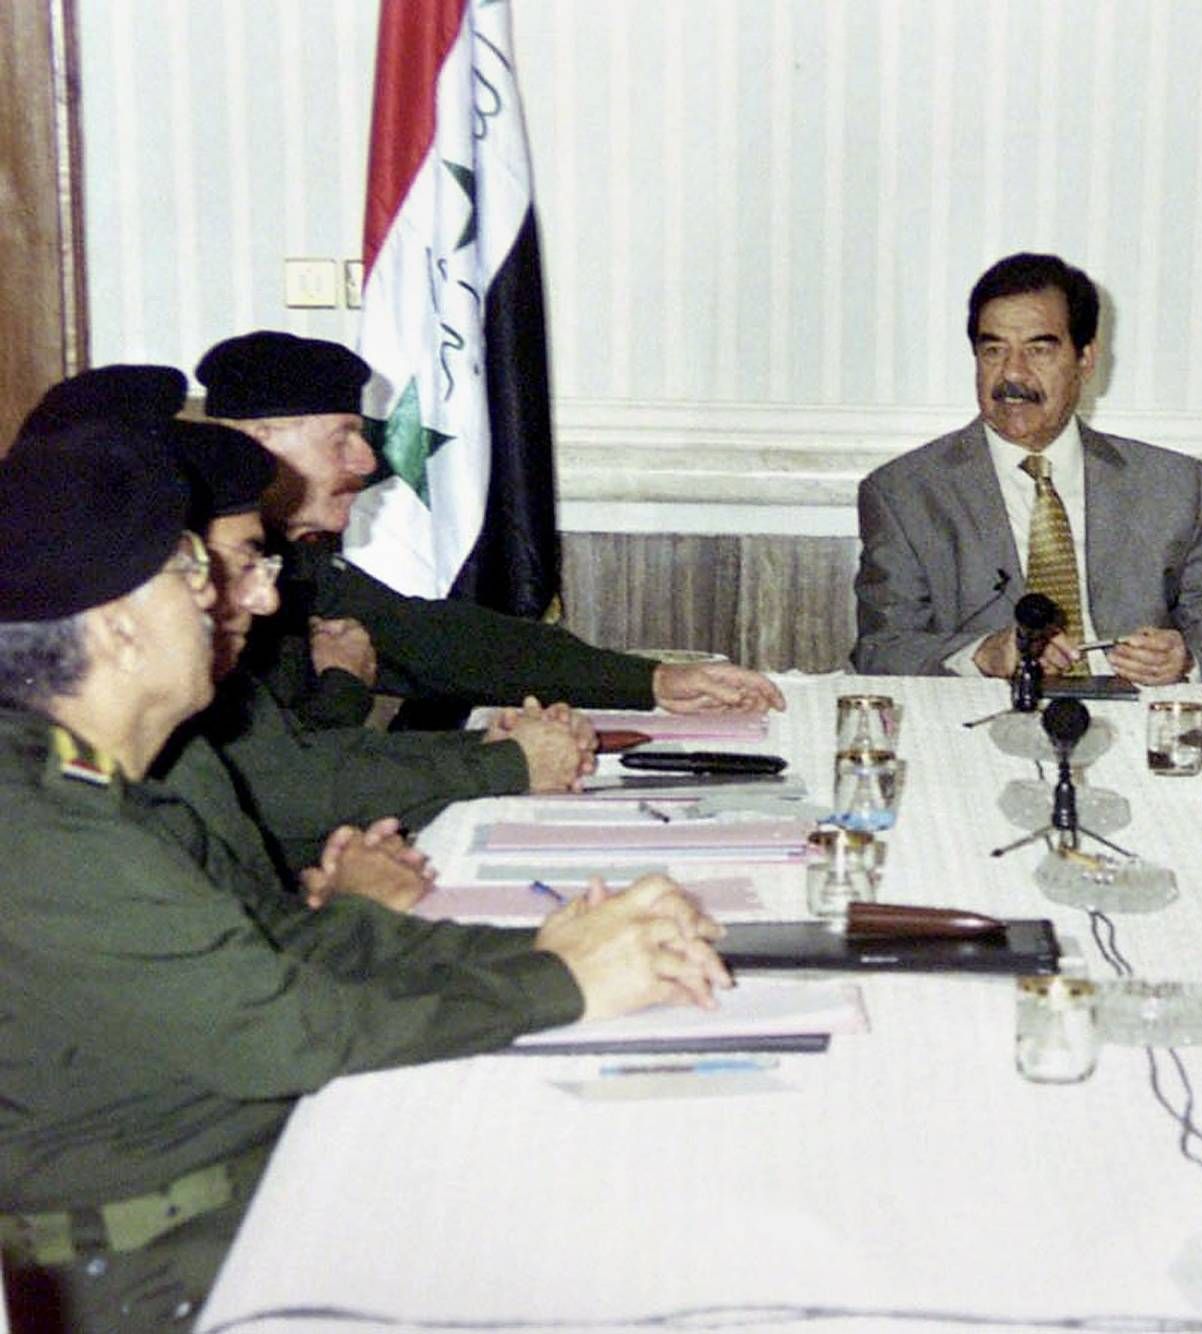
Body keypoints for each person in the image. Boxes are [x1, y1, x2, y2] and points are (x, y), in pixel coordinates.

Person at [0, 422, 731, 1329]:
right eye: (195, 573)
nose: (244, 601)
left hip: (245, 1189)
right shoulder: (44, 830)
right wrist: (564, 979)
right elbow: (287, 1033)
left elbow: (283, 941)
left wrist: (552, 947)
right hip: (161, 1269)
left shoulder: (102, 788)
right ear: (117, 627)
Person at [19, 366, 596, 886]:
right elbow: (290, 789)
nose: (261, 600)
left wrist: (493, 750)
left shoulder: (261, 570)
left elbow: (431, 644)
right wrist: (502, 761)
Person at [195, 330, 785, 728]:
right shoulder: (202, 574)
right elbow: (287, 781)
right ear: (258, 444)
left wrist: (654, 681)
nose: (367, 461)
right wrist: (346, 687)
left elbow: (440, 641)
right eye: (342, 438)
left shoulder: (293, 561)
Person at [851, 252, 1202, 684]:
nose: (1013, 373)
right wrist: (981, 655)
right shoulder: (904, 493)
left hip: (1136, 710)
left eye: (1038, 350)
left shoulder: (1173, 485)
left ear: (1085, 360)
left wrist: (1186, 659)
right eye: (993, 350)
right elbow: (881, 649)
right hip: (986, 711)